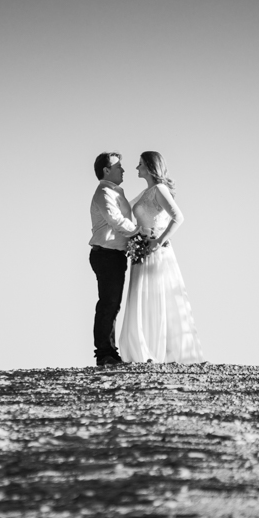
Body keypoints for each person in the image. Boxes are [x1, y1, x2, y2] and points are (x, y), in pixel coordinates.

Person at [119, 151, 204, 363]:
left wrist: (158, 241)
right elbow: (126, 209)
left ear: (149, 167)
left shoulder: (159, 190)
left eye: (140, 165)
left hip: (155, 250)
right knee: (142, 297)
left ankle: (163, 351)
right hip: (140, 250)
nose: (136, 168)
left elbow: (178, 217)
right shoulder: (144, 192)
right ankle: (145, 349)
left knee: (158, 296)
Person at [88, 152, 140, 367]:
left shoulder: (116, 192)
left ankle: (109, 352)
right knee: (108, 304)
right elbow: (116, 220)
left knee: (112, 304)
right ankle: (104, 354)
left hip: (114, 254)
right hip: (106, 254)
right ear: (106, 170)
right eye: (118, 166)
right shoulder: (104, 192)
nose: (123, 170)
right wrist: (138, 232)